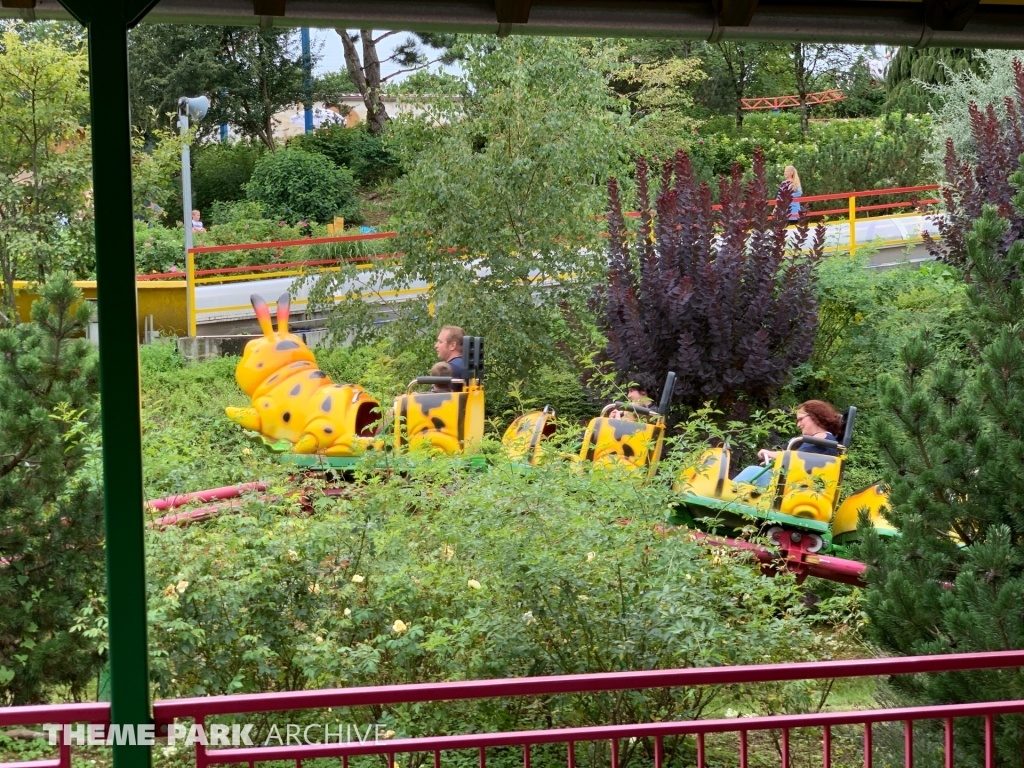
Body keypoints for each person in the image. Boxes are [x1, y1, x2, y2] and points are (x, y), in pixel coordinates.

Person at [757, 400, 842, 465]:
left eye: (801, 419)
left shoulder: (822, 438)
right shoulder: (820, 439)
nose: (798, 424)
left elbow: (795, 458)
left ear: (814, 416)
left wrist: (770, 454)